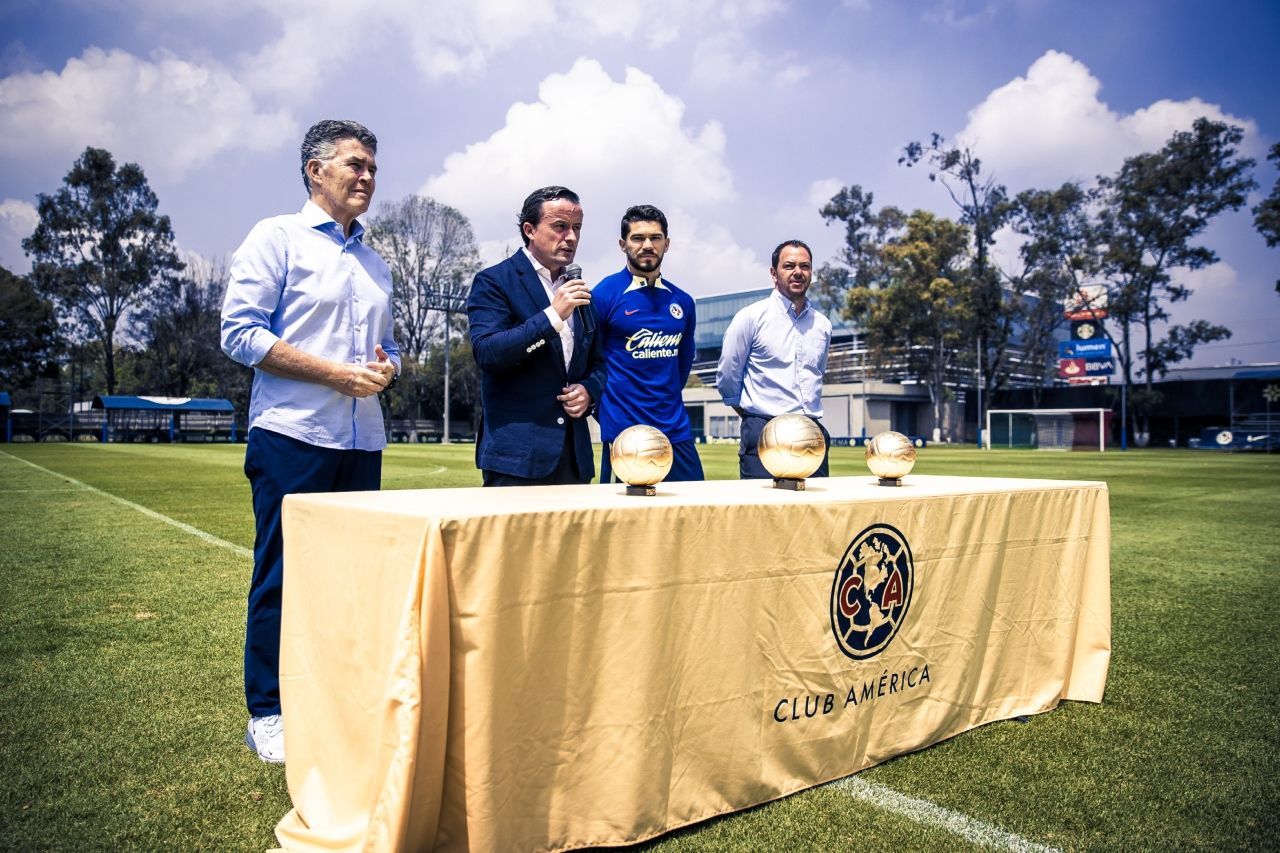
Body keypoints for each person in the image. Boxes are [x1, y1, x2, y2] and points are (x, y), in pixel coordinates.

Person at [220, 119, 400, 763]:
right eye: (355, 165)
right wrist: (333, 374)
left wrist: (387, 370)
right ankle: (268, 710)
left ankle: (338, 700)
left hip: (362, 439)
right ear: (314, 170)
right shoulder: (277, 238)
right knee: (282, 574)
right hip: (293, 435)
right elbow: (239, 333)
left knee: (353, 581)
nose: (367, 178)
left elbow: (393, 348)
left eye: (373, 168)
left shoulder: (377, 261)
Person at [467, 186, 606, 486]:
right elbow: (488, 353)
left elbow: (598, 363)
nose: (571, 237)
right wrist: (552, 317)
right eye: (560, 226)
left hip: (574, 458)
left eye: (577, 228)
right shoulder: (494, 282)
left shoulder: (578, 290)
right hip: (516, 460)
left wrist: (589, 391)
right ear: (529, 229)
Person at [592, 205, 703, 482]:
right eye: (638, 238)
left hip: (675, 430)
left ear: (667, 243)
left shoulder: (683, 302)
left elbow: (682, 364)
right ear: (623, 244)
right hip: (625, 435)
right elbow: (589, 361)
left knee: (694, 515)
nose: (647, 245)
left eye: (655, 238)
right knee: (624, 524)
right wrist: (606, 413)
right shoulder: (603, 295)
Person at [716, 240, 832, 479]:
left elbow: (817, 374)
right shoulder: (750, 318)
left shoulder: (822, 325)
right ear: (773, 273)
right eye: (789, 266)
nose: (798, 272)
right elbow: (728, 375)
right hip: (763, 431)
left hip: (811, 433)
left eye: (805, 266)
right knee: (762, 514)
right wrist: (752, 415)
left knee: (816, 514)